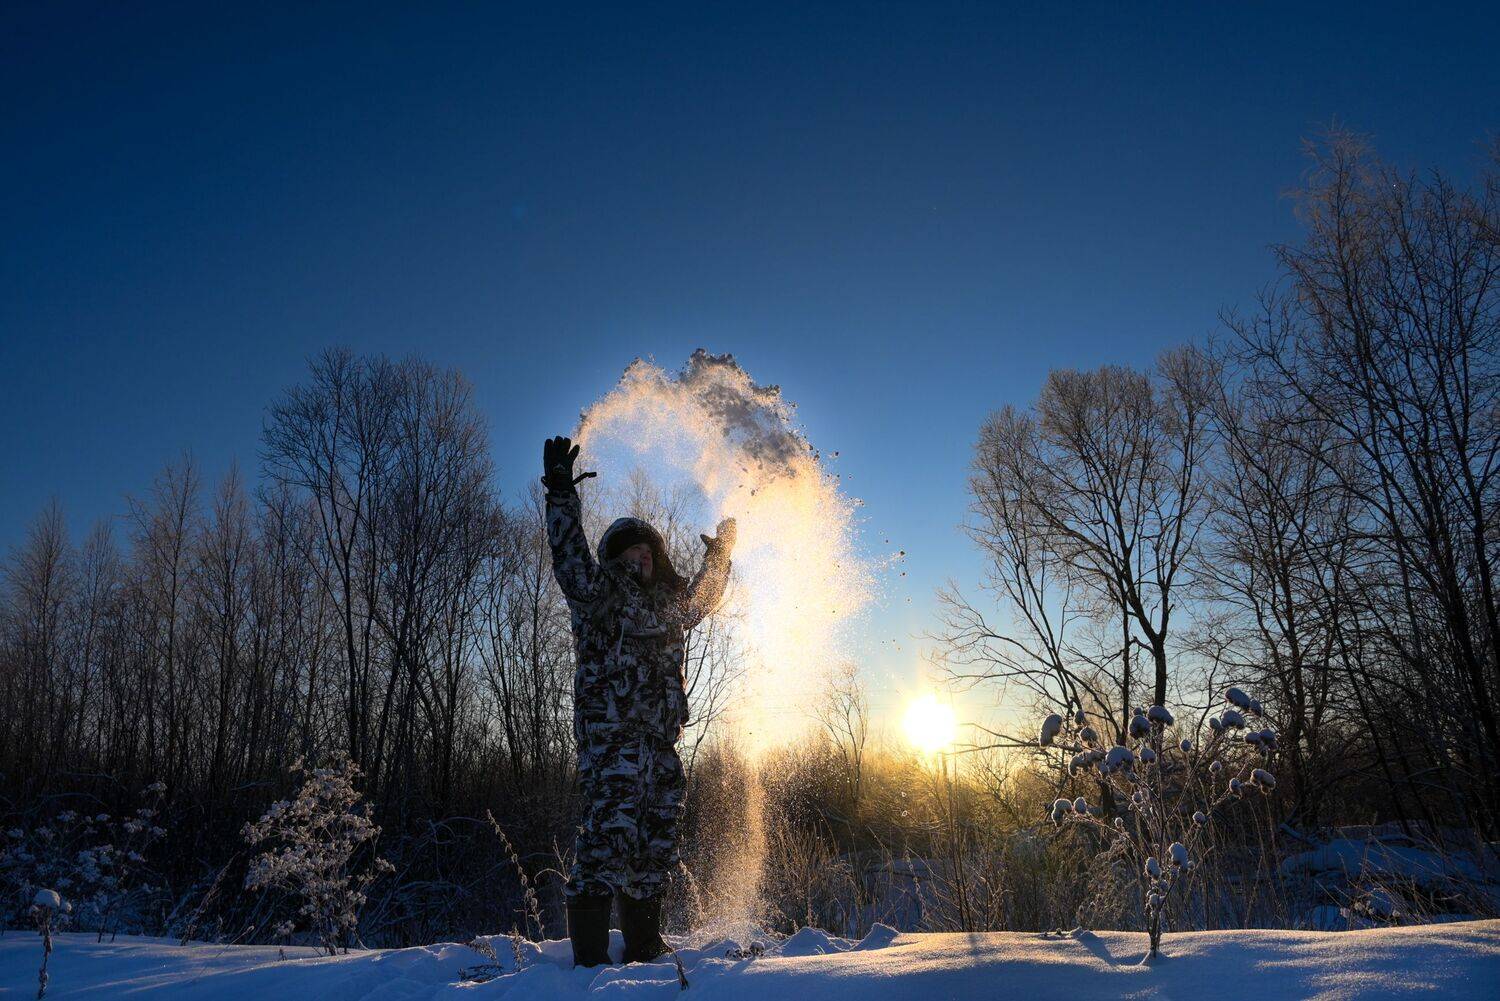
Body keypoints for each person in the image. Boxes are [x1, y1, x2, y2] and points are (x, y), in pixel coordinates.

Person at [541, 435, 735, 967]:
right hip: (613, 745)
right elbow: (570, 561)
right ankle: (588, 962)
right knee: (607, 841)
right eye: (632, 549)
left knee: (655, 849)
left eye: (649, 550)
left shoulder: (669, 607)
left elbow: (702, 599)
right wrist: (561, 492)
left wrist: (720, 557)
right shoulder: (598, 596)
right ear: (615, 557)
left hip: (661, 748)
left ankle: (645, 949)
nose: (643, 556)